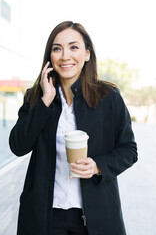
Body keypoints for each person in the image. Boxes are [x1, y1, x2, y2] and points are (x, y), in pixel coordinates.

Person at [9, 21, 138, 235]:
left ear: (87, 54)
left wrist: (98, 166)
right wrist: (45, 102)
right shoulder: (36, 96)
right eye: (57, 48)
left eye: (73, 47)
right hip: (46, 216)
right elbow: (18, 146)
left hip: (96, 215)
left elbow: (129, 150)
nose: (65, 56)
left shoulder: (109, 97)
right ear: (50, 56)